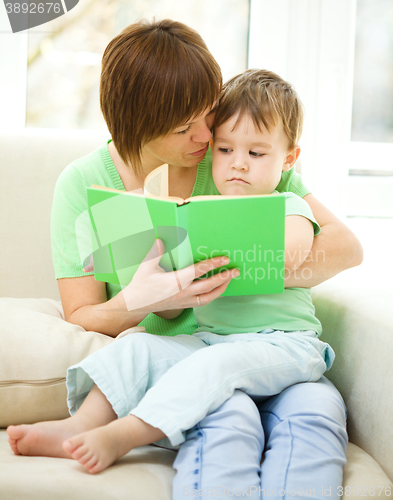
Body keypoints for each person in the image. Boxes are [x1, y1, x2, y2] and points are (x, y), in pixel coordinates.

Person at [7, 19, 358, 498]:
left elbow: (343, 247)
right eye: (183, 127)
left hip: (274, 344)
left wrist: (247, 266)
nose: (206, 135)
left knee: (316, 412)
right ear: (136, 127)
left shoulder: (237, 158)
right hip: (196, 352)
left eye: (207, 113)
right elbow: (84, 314)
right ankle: (86, 426)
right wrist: (144, 298)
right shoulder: (87, 183)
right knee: (218, 408)